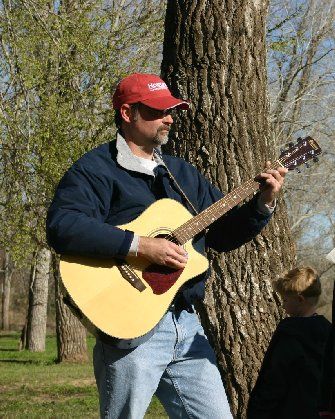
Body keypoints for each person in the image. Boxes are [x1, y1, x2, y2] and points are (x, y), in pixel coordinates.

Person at [46, 73, 287, 419]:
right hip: (131, 329)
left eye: (171, 110)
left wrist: (263, 203)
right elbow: (63, 226)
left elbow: (222, 234)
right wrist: (139, 246)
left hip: (186, 326)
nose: (169, 118)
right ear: (128, 114)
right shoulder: (95, 170)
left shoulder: (181, 173)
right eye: (158, 111)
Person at [247, 266, 332, 419]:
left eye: (285, 300)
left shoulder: (290, 334)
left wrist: (258, 412)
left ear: (300, 300)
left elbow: (275, 378)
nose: (283, 305)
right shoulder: (328, 331)